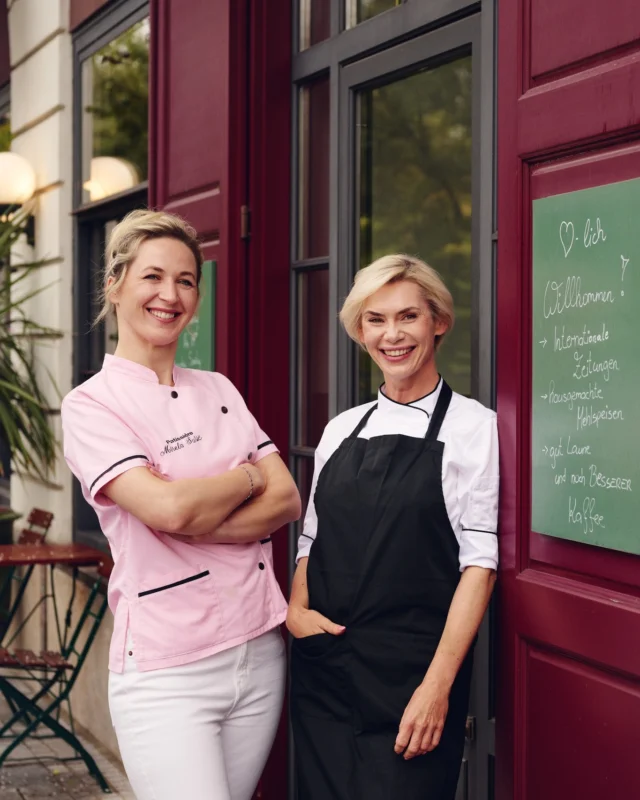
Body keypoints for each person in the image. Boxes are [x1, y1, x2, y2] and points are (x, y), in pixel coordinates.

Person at [61, 209, 300, 800]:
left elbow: (287, 497)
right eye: (153, 276)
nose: (170, 295)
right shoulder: (92, 405)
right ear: (115, 285)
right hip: (169, 669)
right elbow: (168, 510)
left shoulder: (218, 388)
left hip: (260, 651)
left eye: (186, 280)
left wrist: (201, 513)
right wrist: (247, 479)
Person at [287, 254, 499, 800]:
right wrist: (296, 611)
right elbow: (312, 537)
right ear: (360, 331)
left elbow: (480, 566)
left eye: (408, 316)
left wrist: (437, 687)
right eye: (376, 319)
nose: (392, 334)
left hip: (412, 679)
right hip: (326, 672)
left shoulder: (476, 429)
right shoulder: (340, 429)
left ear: (439, 321)